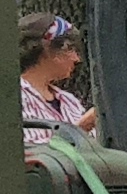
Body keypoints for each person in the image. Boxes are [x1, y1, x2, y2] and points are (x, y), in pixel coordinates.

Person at [21, 12, 102, 140]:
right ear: (47, 49)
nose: (76, 58)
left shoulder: (68, 101)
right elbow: (31, 150)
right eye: (69, 48)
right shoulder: (15, 98)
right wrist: (82, 128)